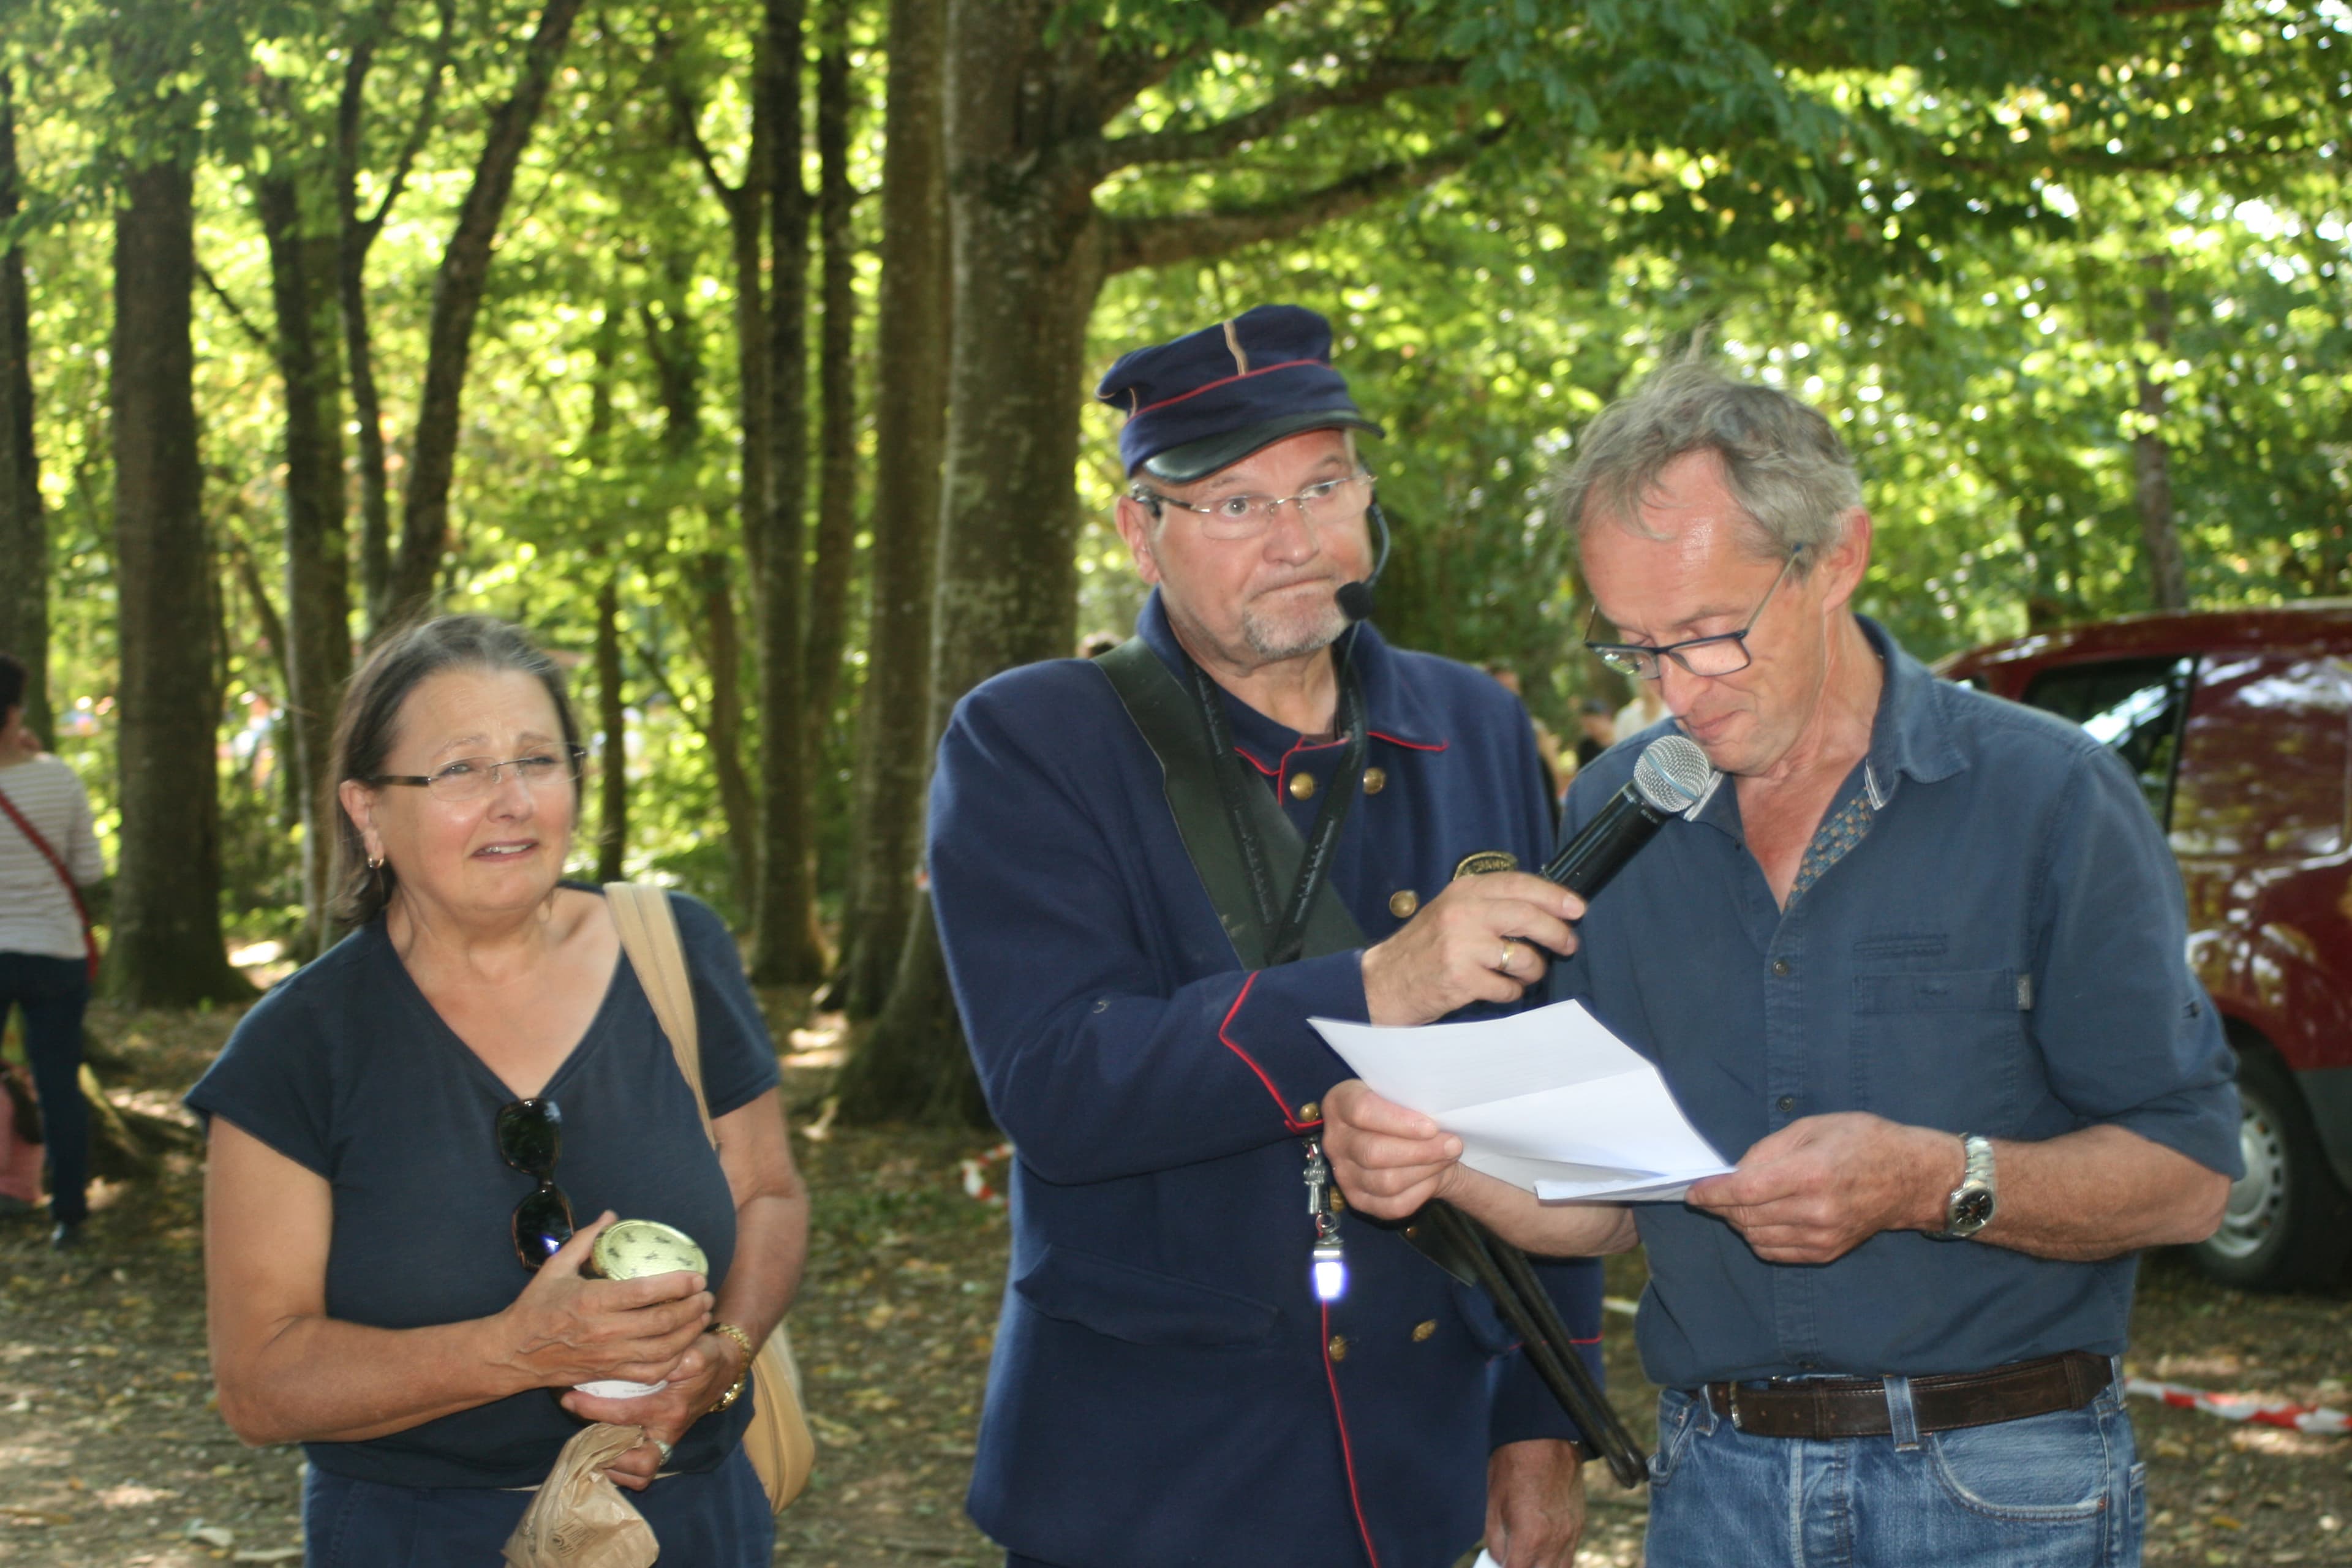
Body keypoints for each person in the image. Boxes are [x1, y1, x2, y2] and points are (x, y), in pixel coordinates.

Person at [1322, 360, 2242, 1568]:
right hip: (1718, 1483)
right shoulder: (1617, 805)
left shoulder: (2048, 795)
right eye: (1634, 649)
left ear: (1835, 560)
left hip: (2000, 1483)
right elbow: (1611, 1205)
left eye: (1707, 636)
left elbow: (2190, 1176)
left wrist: (1931, 1178)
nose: (1674, 693)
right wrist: (1434, 1156)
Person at [927, 304, 1613, 1568]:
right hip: (1150, 1479)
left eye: (1324, 484)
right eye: (1235, 504)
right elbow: (1062, 1086)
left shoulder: (1472, 725)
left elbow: (1545, 1097)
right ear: (1143, 531)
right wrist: (1382, 982)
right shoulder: (1031, 741)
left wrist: (1542, 1420)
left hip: (1418, 1465)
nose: (1296, 540)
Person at [185, 616, 807, 1565]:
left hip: (695, 1518)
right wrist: (517, 1349)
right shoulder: (298, 1048)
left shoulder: (676, 951)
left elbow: (767, 1192)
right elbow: (260, 1386)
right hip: (420, 1534)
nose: (512, 800)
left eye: (539, 761)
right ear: (367, 812)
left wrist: (724, 1358)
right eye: (461, 771)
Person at [0, 650, 106, 1251]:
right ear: (14, 710)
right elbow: (88, 871)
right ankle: (70, 1214)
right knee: (59, 1084)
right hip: (54, 953)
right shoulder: (56, 777)